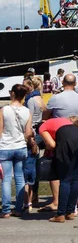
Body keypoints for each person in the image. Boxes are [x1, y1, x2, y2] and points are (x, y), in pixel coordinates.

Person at [40, 116, 78, 222]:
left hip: (68, 144)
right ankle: (70, 212)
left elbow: (52, 145)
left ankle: (60, 214)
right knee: (75, 177)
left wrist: (47, 147)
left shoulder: (42, 127)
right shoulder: (63, 120)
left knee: (65, 179)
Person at [0, 84, 32, 218]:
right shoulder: (27, 111)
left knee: (6, 179)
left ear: (12, 93)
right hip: (20, 146)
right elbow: (28, 132)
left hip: (5, 146)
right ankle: (18, 208)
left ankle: (6, 209)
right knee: (19, 178)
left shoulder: (4, 110)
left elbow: (0, 129)